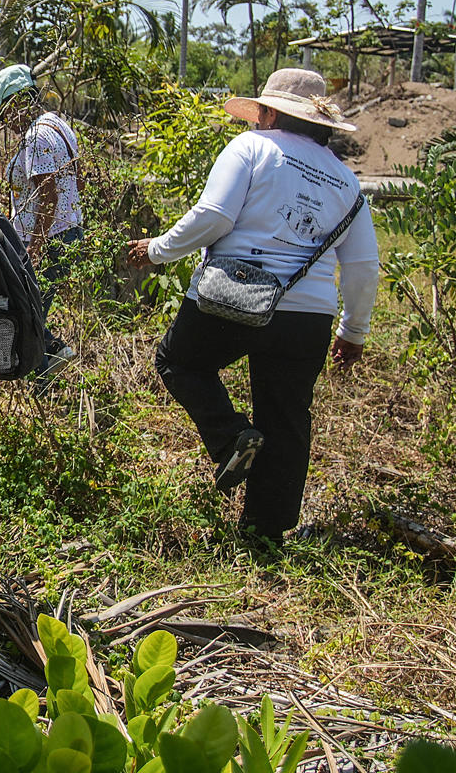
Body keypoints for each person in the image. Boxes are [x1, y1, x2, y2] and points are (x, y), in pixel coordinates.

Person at [124, 68, 378, 542]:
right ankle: (265, 533)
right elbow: (363, 267)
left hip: (232, 296)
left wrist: (157, 249)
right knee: (286, 416)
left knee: (179, 362)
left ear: (267, 113)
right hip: (308, 318)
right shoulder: (347, 183)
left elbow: (215, 217)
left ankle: (230, 438)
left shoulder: (251, 148)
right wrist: (353, 330)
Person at [0, 64, 81, 374]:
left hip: (50, 241)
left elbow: (47, 195)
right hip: (67, 234)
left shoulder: (36, 136)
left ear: (20, 101)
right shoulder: (55, 124)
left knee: (26, 316)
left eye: (6, 113)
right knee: (32, 311)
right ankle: (55, 353)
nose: (5, 123)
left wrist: (34, 248)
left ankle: (41, 379)